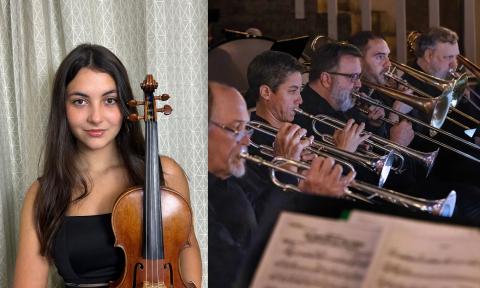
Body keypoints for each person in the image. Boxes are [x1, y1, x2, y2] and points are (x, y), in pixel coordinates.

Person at [13, 44, 202, 287]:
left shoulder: (163, 173)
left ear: (125, 106)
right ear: (63, 107)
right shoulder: (43, 193)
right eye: (80, 101)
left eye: (109, 100)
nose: (96, 117)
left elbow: (186, 250)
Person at [208, 81, 354, 288]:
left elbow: (264, 212)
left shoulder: (234, 175)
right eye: (236, 128)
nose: (246, 142)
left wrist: (300, 188)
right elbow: (250, 274)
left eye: (246, 129)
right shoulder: (191, 198)